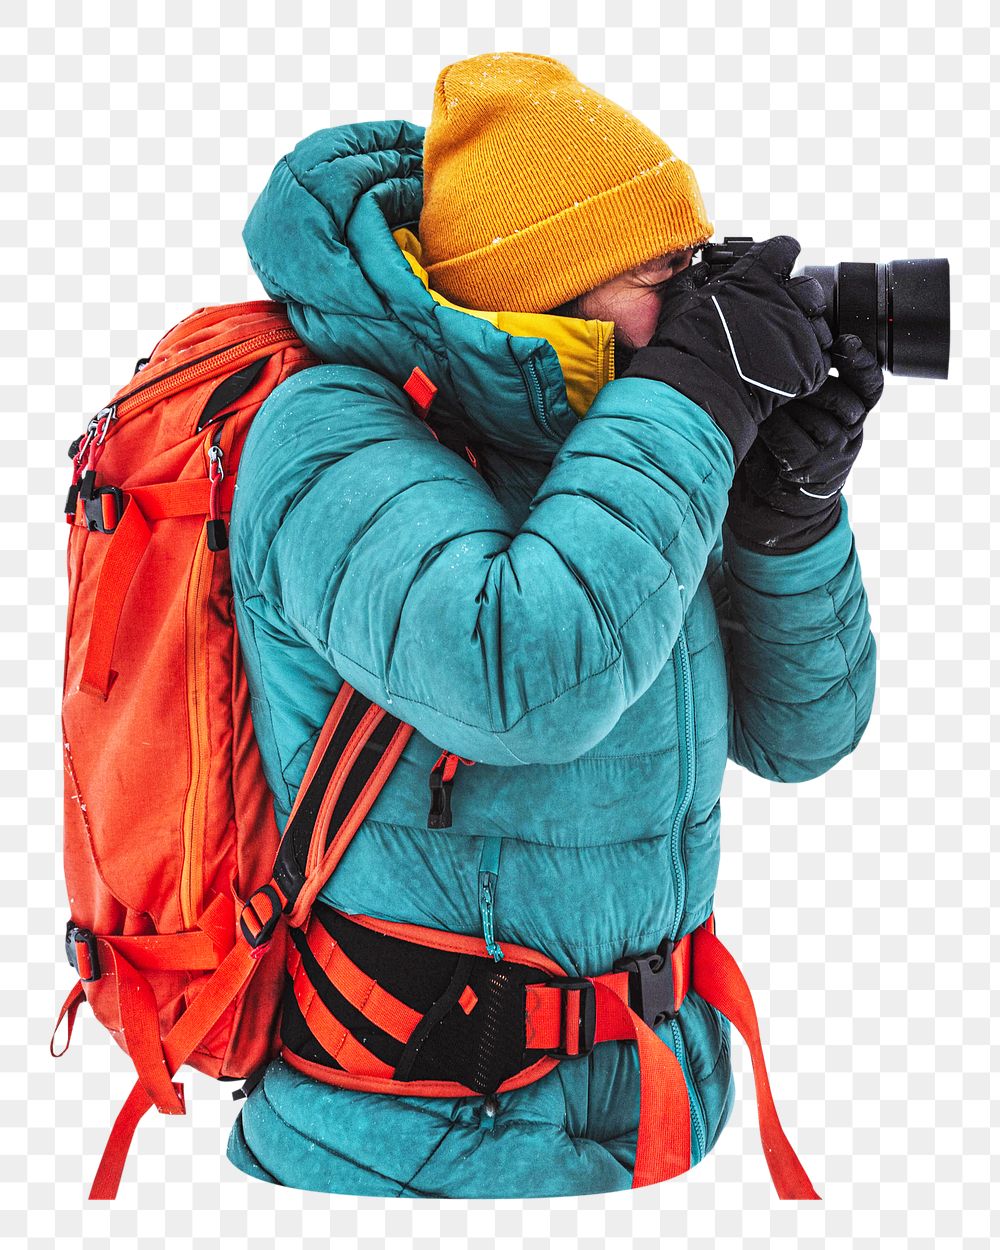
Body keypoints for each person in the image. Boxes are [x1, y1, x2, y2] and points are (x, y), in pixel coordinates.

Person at [225, 51, 879, 1197]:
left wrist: (789, 513)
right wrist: (687, 401)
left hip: (659, 1132)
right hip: (408, 1149)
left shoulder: (622, 445)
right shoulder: (327, 434)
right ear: (538, 285)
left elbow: (801, 733)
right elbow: (525, 678)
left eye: (695, 270)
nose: (691, 311)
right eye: (658, 275)